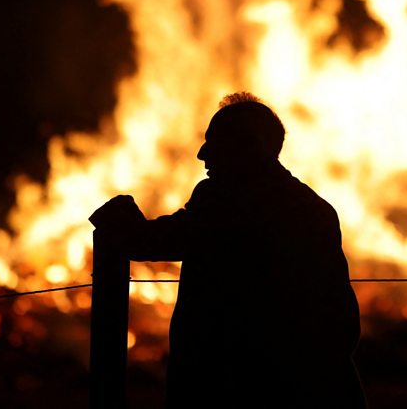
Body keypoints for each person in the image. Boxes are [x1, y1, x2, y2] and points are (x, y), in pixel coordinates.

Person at [90, 92, 367, 409]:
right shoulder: (314, 209)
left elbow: (153, 241)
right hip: (311, 387)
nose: (202, 154)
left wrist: (117, 213)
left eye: (215, 141)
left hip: (237, 388)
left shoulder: (227, 204)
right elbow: (342, 321)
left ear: (248, 147)